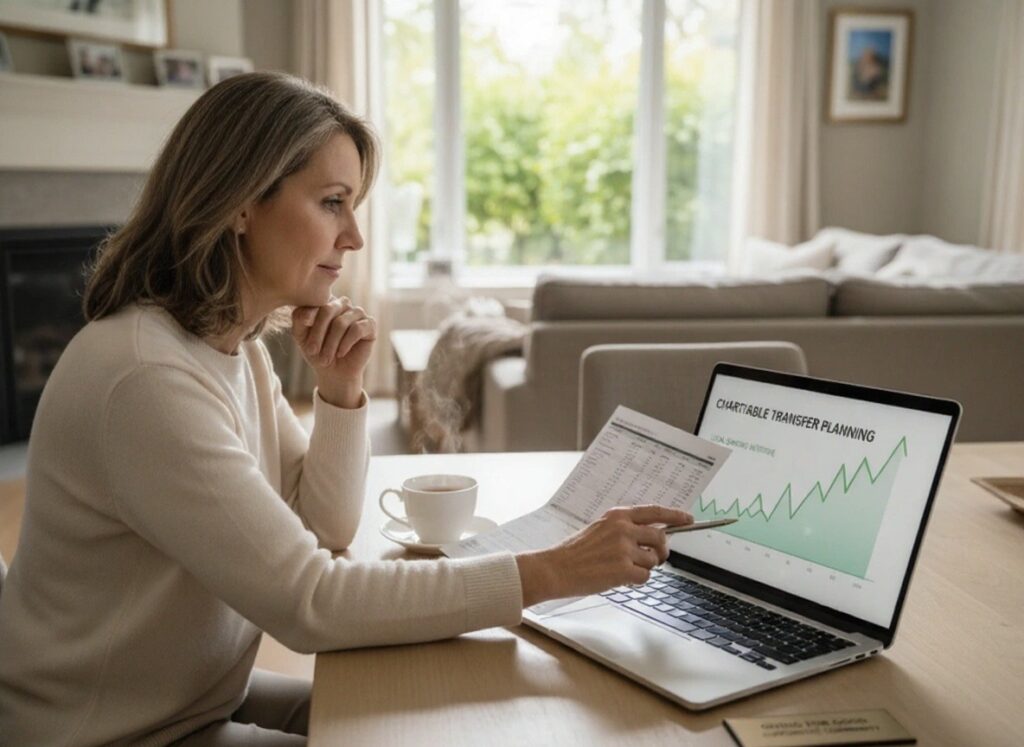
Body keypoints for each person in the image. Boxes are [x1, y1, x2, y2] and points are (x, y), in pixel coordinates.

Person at [0, 72, 692, 746]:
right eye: (333, 201)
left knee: (436, 713)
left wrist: (338, 388)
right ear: (241, 202)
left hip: (191, 696)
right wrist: (553, 569)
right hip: (107, 730)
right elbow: (314, 600)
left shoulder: (232, 347)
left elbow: (324, 524)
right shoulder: (147, 377)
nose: (354, 235)